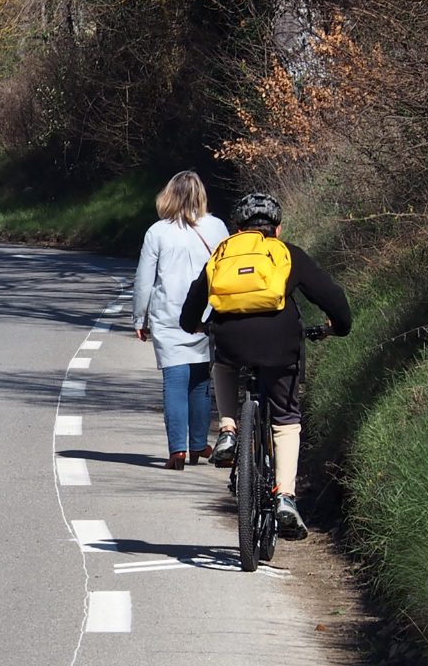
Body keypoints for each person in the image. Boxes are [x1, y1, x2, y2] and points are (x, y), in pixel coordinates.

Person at [178, 192, 352, 540]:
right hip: (280, 343)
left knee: (223, 363)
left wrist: (196, 325)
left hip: (230, 339)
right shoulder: (288, 254)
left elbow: (191, 309)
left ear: (238, 228)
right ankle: (285, 496)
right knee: (286, 419)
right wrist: (339, 327)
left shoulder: (223, 253)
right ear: (278, 228)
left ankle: (228, 429)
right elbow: (330, 297)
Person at [131, 171, 230, 470]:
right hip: (206, 312)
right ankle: (198, 444)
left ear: (169, 195)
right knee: (201, 380)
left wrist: (139, 317)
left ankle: (177, 450)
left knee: (175, 379)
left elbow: (144, 280)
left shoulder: (157, 232)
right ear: (201, 194)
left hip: (168, 314)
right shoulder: (217, 227)